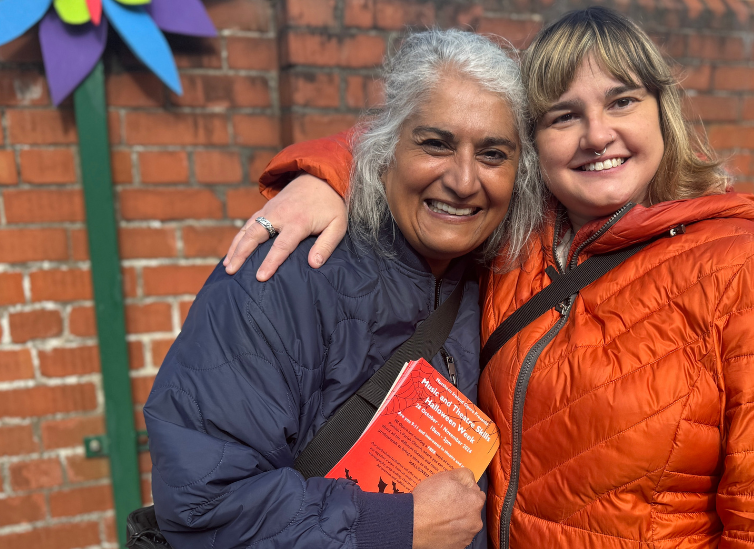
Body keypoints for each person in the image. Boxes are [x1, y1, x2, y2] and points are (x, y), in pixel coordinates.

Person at [225, 8, 754, 549]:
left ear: (665, 111)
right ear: (533, 142)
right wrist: (325, 174)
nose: (597, 134)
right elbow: (431, 139)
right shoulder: (511, 245)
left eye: (622, 100)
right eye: (563, 116)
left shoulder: (744, 270)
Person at [143, 29, 545, 549]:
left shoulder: (504, 275)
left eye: (492, 154)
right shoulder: (284, 274)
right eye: (435, 144)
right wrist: (392, 527)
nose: (465, 181)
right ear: (385, 149)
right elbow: (203, 506)